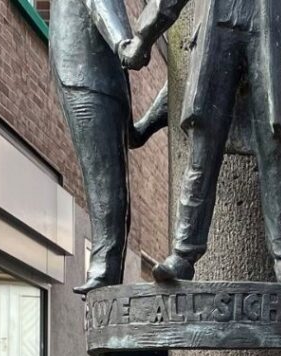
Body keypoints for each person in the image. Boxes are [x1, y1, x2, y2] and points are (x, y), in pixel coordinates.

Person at [119, 0, 281, 286]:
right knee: (202, 148)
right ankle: (183, 255)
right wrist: (143, 37)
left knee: (277, 144)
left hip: (265, 31)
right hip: (215, 30)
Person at [49, 0, 167, 294]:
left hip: (89, 74)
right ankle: (104, 274)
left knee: (107, 184)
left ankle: (105, 272)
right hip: (84, 72)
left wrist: (121, 45)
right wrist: (121, 45)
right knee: (108, 180)